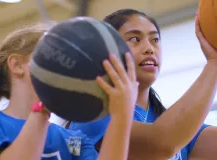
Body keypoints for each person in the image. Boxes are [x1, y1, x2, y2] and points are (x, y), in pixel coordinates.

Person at [69, 9, 217, 160]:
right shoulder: (92, 116)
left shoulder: (169, 121)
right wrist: (213, 64)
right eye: (134, 39)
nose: (149, 49)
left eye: (155, 40)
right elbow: (160, 143)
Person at [0, 21, 138, 160]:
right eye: (53, 54)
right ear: (17, 65)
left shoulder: (73, 141)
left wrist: (122, 114)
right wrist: (41, 109)